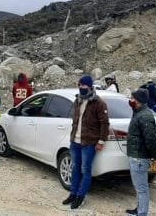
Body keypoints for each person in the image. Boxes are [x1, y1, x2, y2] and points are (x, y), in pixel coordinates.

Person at [62, 75, 109, 209]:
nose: (81, 88)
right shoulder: (78, 100)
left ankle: (80, 196)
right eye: (79, 85)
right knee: (75, 168)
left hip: (89, 143)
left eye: (83, 86)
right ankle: (73, 194)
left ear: (90, 87)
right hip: (75, 141)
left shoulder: (99, 103)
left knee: (85, 170)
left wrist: (101, 141)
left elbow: (104, 123)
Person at [125, 88, 156, 216]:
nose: (130, 100)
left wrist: (154, 157)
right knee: (138, 187)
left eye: (133, 98)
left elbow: (150, 138)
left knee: (142, 188)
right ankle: (139, 209)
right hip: (135, 156)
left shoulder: (145, 116)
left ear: (138, 101)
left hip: (139, 158)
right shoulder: (138, 112)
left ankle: (142, 213)